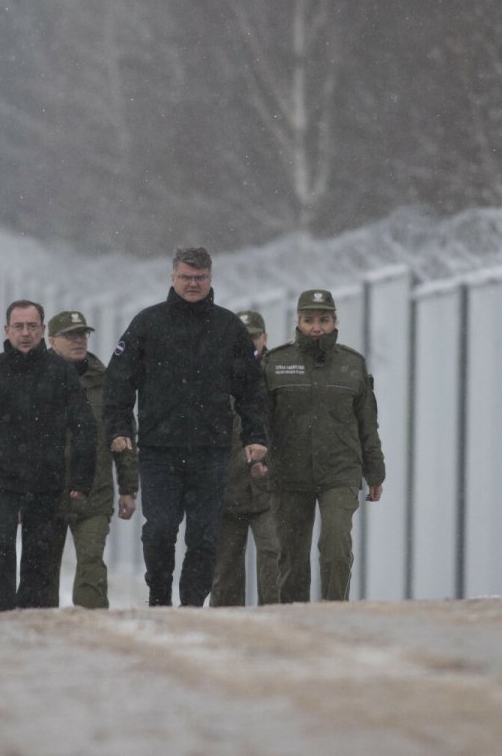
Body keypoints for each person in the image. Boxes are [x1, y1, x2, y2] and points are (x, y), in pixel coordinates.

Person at [104, 246, 268, 607]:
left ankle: (192, 605)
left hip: (211, 451)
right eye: (186, 277)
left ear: (210, 279)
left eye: (200, 278)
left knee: (205, 536)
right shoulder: (147, 324)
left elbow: (251, 389)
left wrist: (255, 436)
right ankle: (159, 597)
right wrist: (119, 428)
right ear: (172, 277)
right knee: (160, 530)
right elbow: (118, 382)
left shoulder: (229, 328)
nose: (193, 284)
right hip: (159, 451)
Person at [0, 300, 96, 612]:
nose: (25, 333)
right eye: (18, 326)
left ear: (42, 330)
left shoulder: (60, 372)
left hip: (46, 481)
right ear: (6, 330)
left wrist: (81, 479)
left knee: (39, 555)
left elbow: (84, 426)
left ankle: (34, 621)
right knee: (3, 547)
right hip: (1, 481)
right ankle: (0, 616)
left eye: (31, 326)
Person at [265, 289, 385, 603]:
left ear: (334, 322)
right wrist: (258, 459)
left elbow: (367, 424)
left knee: (336, 548)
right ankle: (294, 620)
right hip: (288, 474)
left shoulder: (352, 364)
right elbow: (259, 422)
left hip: (339, 471)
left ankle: (335, 613)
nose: (316, 327)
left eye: (323, 320)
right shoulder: (276, 364)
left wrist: (375, 473)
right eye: (309, 320)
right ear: (298, 321)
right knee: (292, 558)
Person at [43, 310, 139, 608]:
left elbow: (123, 438)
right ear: (51, 341)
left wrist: (128, 488)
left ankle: (91, 626)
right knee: (43, 569)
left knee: (91, 563)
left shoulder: (105, 383)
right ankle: (40, 630)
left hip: (94, 493)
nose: (78, 340)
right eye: (70, 335)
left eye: (82, 334)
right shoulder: (37, 379)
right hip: (47, 492)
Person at [211, 309, 280, 607]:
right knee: (225, 568)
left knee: (274, 555)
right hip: (227, 486)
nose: (250, 344)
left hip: (271, 486)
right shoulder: (212, 376)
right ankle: (226, 630)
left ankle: (278, 621)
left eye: (254, 336)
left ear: (265, 338)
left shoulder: (281, 374)